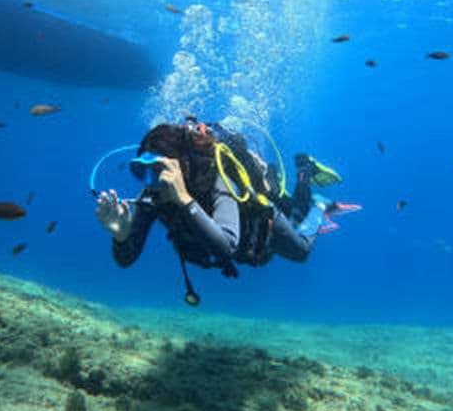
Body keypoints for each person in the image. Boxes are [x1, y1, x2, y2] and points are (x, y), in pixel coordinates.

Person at [94, 121, 359, 304]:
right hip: (243, 246)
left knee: (301, 247)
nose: (153, 180)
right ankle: (304, 174)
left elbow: (226, 246)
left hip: (261, 224)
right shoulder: (155, 193)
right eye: (142, 171)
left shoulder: (218, 182)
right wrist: (120, 235)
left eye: (160, 169)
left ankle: (318, 199)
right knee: (295, 214)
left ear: (182, 167)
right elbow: (125, 259)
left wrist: (184, 198)